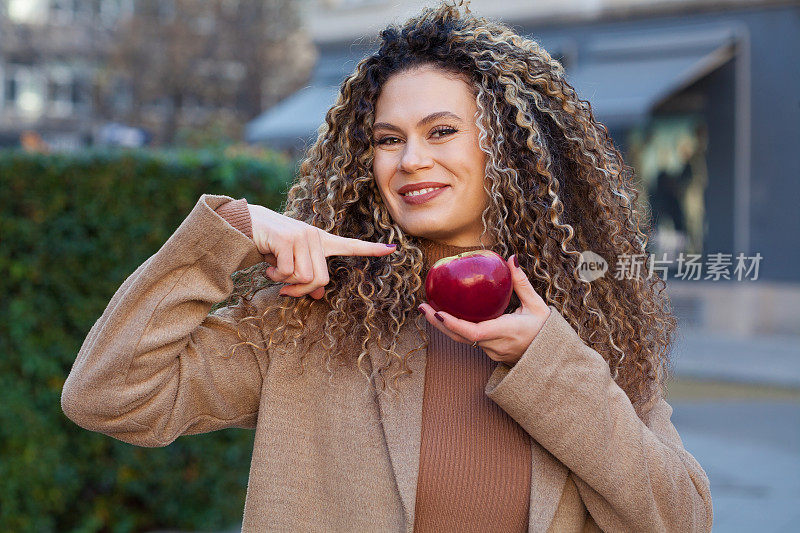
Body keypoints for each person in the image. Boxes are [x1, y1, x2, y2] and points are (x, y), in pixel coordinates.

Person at [61, 2, 713, 531]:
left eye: (441, 131)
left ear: (507, 149)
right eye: (387, 139)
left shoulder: (587, 330)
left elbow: (681, 519)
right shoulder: (307, 318)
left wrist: (549, 360)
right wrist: (232, 231)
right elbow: (108, 395)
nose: (410, 161)